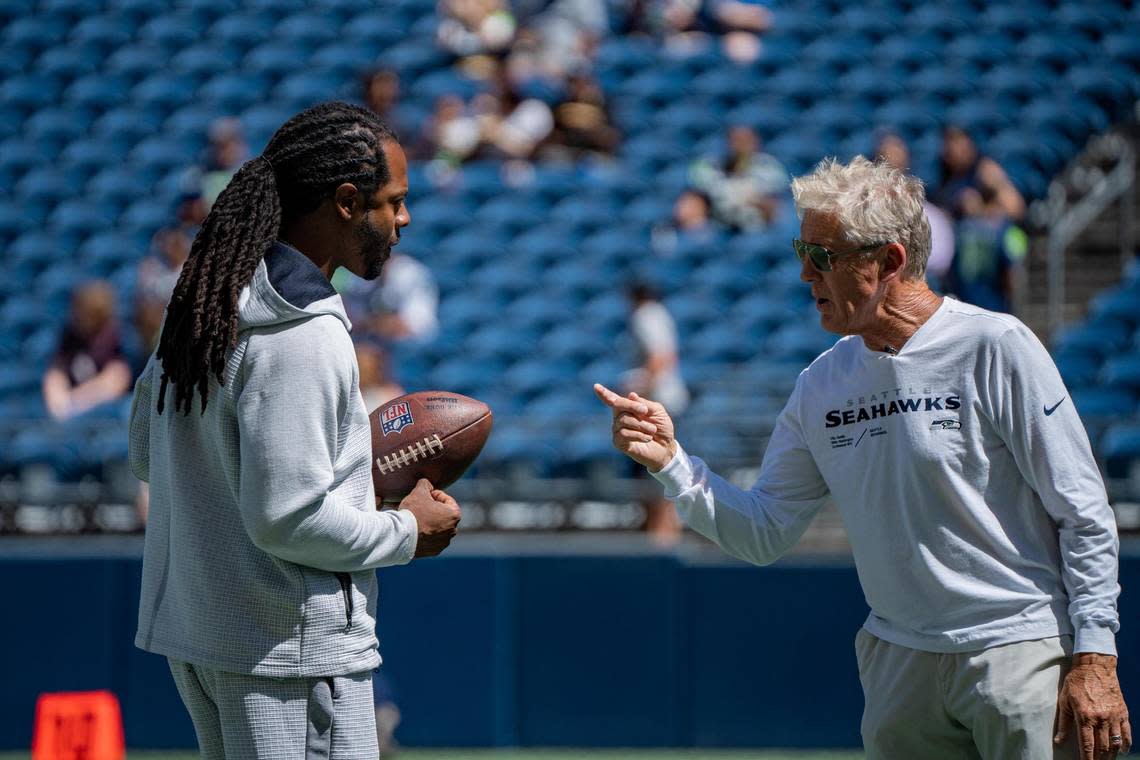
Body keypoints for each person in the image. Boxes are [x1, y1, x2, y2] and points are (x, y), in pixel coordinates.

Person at [596, 156, 1130, 760]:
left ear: (890, 262)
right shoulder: (821, 383)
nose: (804, 273)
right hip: (897, 664)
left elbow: (1083, 512)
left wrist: (1095, 657)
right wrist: (672, 462)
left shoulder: (995, 346)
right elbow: (764, 533)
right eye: (803, 250)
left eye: (823, 255)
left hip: (1019, 652)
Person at [127, 101, 462, 760]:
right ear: (345, 201)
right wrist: (407, 530)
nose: (404, 219)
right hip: (292, 654)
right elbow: (287, 517)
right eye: (392, 202)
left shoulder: (203, 301)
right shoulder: (304, 331)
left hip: (207, 636)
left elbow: (147, 449)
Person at [622, 282, 689, 544]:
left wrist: (638, 392)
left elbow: (661, 358)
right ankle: (664, 532)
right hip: (666, 402)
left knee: (656, 470)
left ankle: (661, 535)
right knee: (661, 470)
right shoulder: (660, 314)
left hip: (656, 405)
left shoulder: (646, 315)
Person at [42, 280, 133, 421]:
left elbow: (119, 376)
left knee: (117, 375)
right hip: (70, 400)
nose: (82, 317)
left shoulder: (115, 334)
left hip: (106, 404)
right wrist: (59, 402)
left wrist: (77, 399)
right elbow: (57, 371)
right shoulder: (70, 335)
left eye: (88, 312)